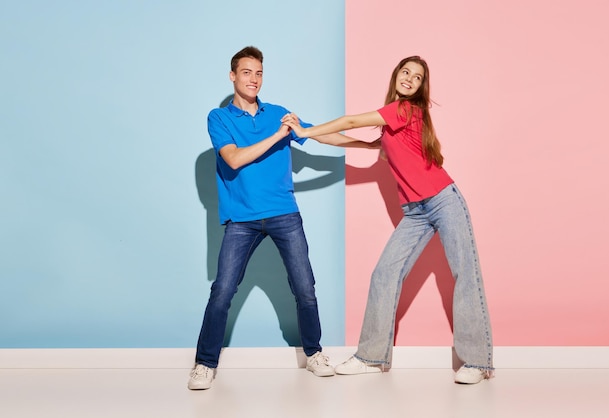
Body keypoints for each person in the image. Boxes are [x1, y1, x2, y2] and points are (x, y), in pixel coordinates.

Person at [282, 55, 495, 384]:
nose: (410, 78)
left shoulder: (406, 110)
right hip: (415, 213)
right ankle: (371, 356)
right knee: (384, 274)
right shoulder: (392, 123)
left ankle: (478, 361)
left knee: (464, 273)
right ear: (396, 76)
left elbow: (350, 122)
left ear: (422, 87)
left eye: (418, 77)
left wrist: (308, 129)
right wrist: (306, 133)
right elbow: (349, 139)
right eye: (405, 72)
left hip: (443, 200)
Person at [188, 46, 375, 390]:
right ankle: (204, 363)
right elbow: (233, 159)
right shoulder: (220, 118)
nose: (254, 79)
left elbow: (318, 133)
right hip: (242, 219)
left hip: (284, 213)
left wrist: (366, 146)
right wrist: (279, 135)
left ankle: (314, 353)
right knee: (223, 291)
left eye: (259, 73)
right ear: (233, 76)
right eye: (247, 72)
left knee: (305, 288)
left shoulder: (278, 113)